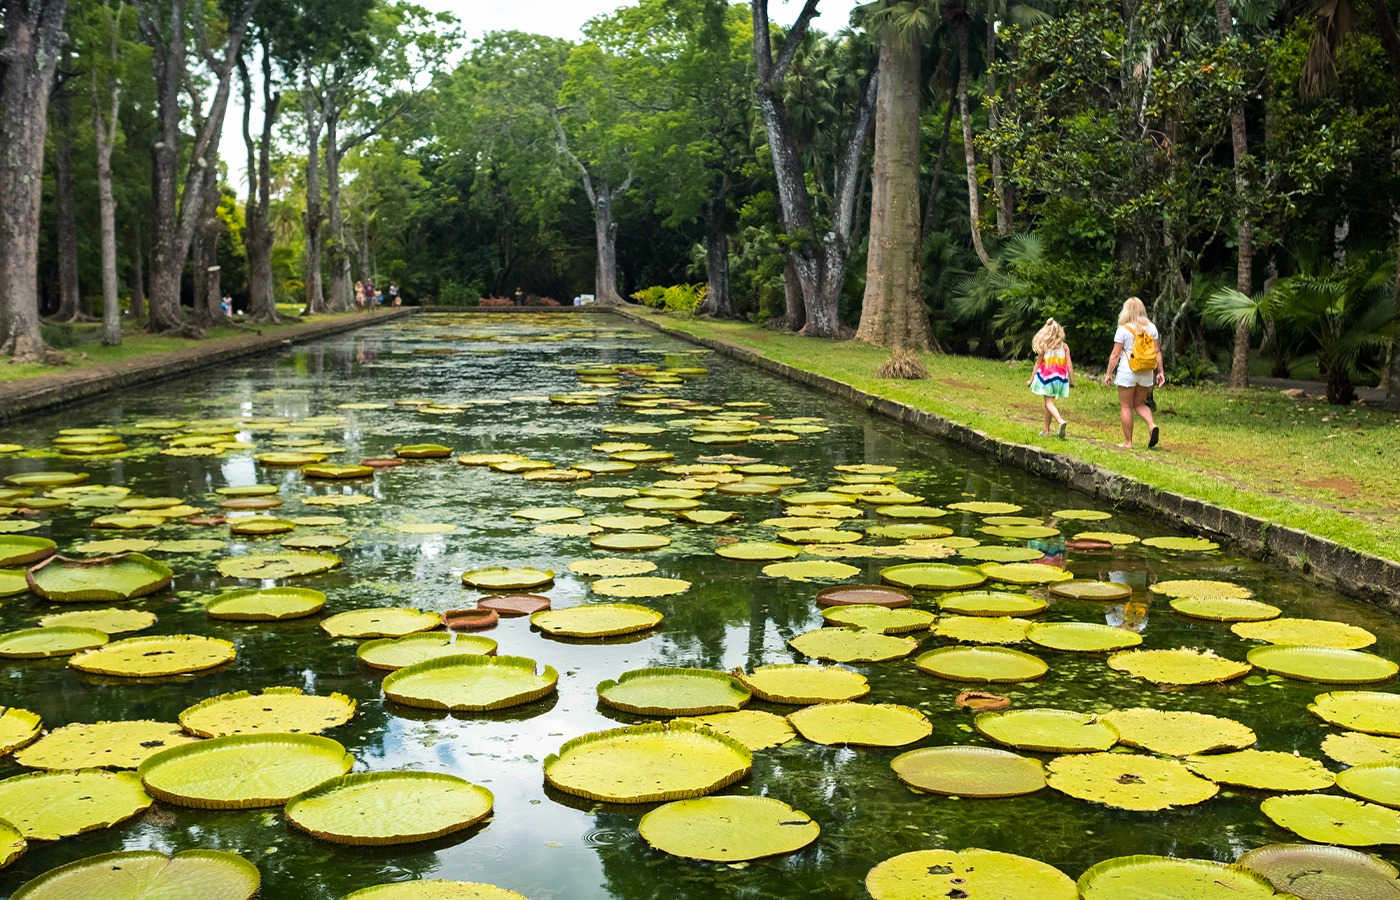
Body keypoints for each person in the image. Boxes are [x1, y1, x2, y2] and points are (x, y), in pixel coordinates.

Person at [1102, 296, 1166, 449]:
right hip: (1146, 371)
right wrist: (1160, 372)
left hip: (1128, 371)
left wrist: (1108, 373)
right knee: (1139, 404)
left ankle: (1128, 442)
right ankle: (1151, 425)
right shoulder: (1152, 328)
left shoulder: (1123, 329)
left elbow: (1115, 355)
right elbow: (1157, 352)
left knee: (1126, 406)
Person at [1028, 318, 1073, 438]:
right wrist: (1072, 380)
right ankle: (1046, 430)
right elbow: (1069, 364)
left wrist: (1031, 379)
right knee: (1049, 403)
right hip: (1059, 379)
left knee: (1048, 402)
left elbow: (1038, 364)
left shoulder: (1045, 346)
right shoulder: (1064, 347)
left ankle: (1060, 421)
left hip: (1047, 378)